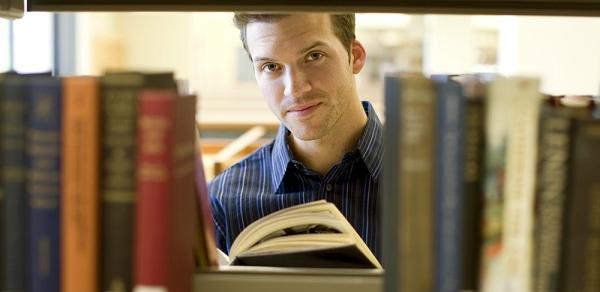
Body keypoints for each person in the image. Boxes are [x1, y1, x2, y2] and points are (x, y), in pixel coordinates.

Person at [209, 13, 383, 260]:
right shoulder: (221, 202)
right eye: (271, 66)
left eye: (314, 56)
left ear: (354, 56)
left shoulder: (435, 186)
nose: (295, 88)